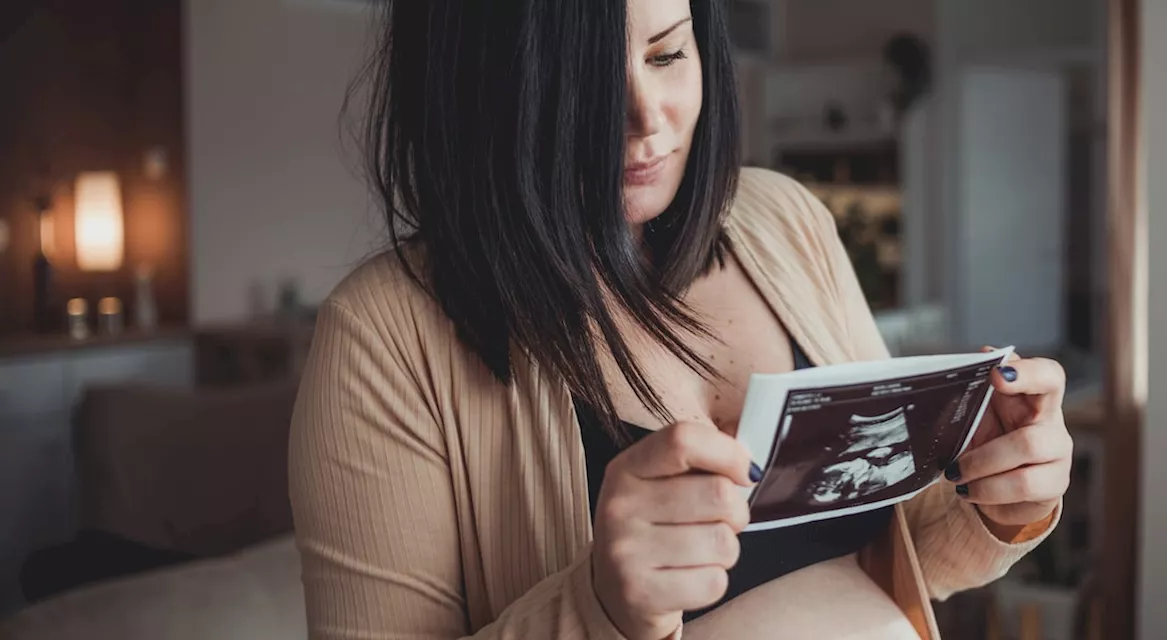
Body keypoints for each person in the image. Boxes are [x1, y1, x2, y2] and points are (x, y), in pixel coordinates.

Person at [288, 0, 1073, 638]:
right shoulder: (384, 337)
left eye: (667, 54)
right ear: (480, 89)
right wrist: (598, 608)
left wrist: (998, 495)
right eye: (581, 83)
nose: (647, 120)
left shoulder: (784, 220)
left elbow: (900, 553)